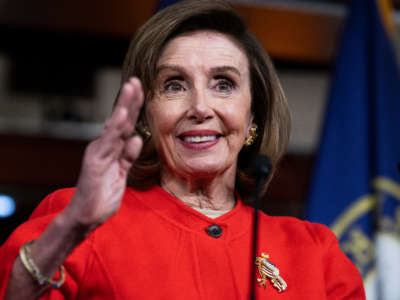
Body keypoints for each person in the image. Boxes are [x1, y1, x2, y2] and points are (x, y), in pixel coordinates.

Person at [0, 1, 365, 299]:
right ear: (146, 116)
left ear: (254, 115)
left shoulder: (315, 254)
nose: (200, 107)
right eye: (174, 85)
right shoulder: (78, 223)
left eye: (224, 84)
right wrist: (70, 229)